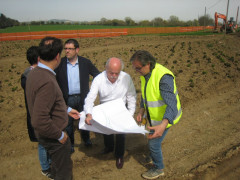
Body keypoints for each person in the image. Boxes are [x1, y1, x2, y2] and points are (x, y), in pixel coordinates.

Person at [26, 36, 80, 180]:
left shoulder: (34, 73)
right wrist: (60, 135)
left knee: (56, 168)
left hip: (46, 136)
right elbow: (39, 120)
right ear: (58, 57)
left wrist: (67, 110)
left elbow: (47, 103)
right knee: (64, 173)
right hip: (53, 138)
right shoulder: (47, 80)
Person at [130, 50, 182, 180]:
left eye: (138, 68)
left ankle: (158, 168)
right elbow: (145, 93)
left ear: (148, 64)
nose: (136, 71)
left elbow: (172, 105)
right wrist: (141, 109)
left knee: (153, 143)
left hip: (167, 117)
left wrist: (163, 125)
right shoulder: (145, 74)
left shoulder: (164, 77)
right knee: (152, 140)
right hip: (154, 117)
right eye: (134, 68)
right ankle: (152, 156)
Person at [84, 57, 136, 169]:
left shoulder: (126, 78)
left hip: (121, 108)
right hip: (105, 107)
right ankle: (109, 147)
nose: (113, 76)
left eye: (117, 73)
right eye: (111, 72)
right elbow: (90, 98)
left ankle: (119, 155)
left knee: (120, 133)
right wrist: (88, 113)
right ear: (105, 69)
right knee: (106, 129)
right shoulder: (98, 79)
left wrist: (130, 114)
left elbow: (131, 96)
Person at [55, 39, 100, 153]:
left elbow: (97, 75)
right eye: (65, 49)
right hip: (67, 99)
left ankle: (86, 139)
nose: (67, 51)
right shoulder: (60, 63)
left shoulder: (85, 62)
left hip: (83, 98)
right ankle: (70, 144)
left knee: (84, 119)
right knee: (68, 123)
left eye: (70, 48)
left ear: (77, 50)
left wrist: (93, 90)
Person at [20, 46, 52, 178]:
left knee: (47, 140)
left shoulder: (30, 73)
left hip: (43, 114)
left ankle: (49, 162)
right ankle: (45, 168)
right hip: (38, 116)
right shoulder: (28, 76)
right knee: (43, 142)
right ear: (39, 58)